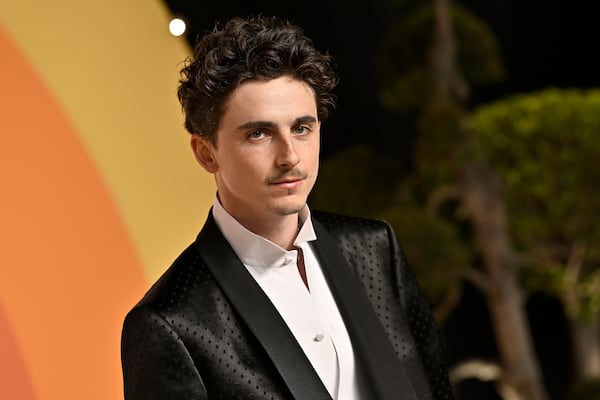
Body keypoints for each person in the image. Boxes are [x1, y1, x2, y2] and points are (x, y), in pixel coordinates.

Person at [121, 15, 453, 400]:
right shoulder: (171, 322)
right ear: (206, 153)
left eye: (301, 128)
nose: (290, 157)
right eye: (259, 133)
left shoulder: (375, 248)